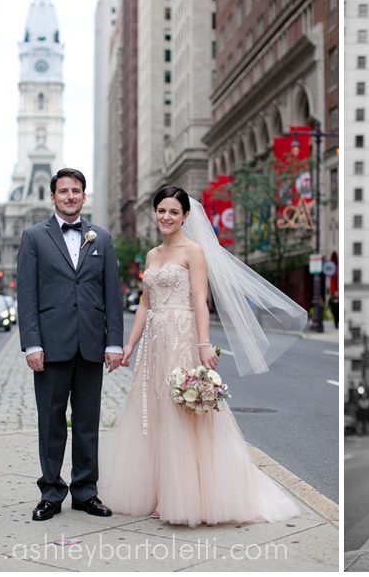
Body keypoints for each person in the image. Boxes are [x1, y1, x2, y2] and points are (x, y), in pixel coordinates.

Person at [102, 185, 306, 525]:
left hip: (181, 336)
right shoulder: (152, 255)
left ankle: (188, 495)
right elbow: (144, 304)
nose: (166, 217)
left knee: (182, 411)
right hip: (154, 340)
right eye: (162, 211)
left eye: (173, 212)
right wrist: (129, 346)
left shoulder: (193, 251)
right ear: (155, 213)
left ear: (184, 217)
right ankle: (159, 490)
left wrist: (203, 343)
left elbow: (200, 300)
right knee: (152, 412)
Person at [17, 167, 124, 521]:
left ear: (83, 195)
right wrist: (32, 344)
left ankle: (85, 492)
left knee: (87, 423)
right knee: (51, 422)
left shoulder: (102, 238)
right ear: (53, 197)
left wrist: (114, 343)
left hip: (92, 345)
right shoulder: (34, 237)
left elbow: (112, 295)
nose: (70, 196)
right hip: (50, 345)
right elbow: (27, 296)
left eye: (76, 190)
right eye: (63, 191)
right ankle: (50, 492)